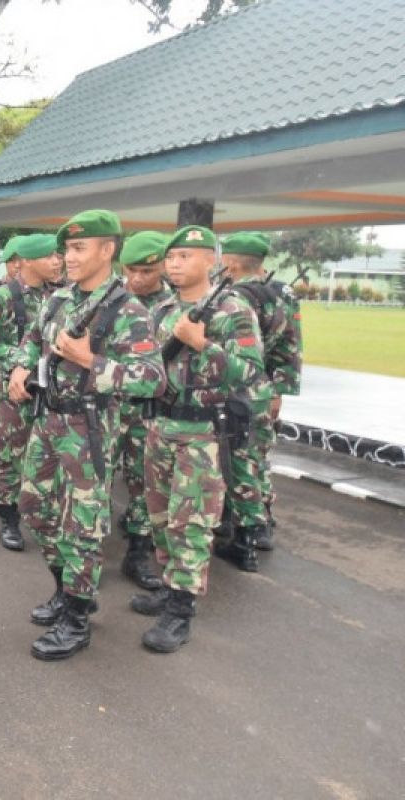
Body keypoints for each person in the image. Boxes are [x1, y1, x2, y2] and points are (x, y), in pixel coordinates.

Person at [8, 209, 165, 661]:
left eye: (78, 248)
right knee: (35, 510)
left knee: (82, 526)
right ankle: (66, 589)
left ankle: (77, 617)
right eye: (67, 249)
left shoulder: (127, 309)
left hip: (89, 427)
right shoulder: (59, 300)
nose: (68, 257)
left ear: (107, 249)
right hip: (49, 421)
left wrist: (90, 361)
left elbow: (152, 379)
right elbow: (34, 341)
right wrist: (21, 365)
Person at [135, 225, 263, 652]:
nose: (174, 264)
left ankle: (181, 610)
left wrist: (202, 343)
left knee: (190, 523)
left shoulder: (232, 309)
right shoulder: (162, 309)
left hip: (203, 434)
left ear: (212, 260)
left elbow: (249, 373)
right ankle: (170, 587)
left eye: (185, 256)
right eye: (171, 258)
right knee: (159, 516)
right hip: (160, 427)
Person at [0, 233, 61, 549]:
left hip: (48, 389)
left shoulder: (58, 298)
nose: (57, 261)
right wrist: (21, 362)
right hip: (8, 386)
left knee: (44, 456)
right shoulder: (2, 296)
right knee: (7, 450)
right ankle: (8, 519)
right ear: (29, 261)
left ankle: (42, 515)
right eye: (50, 256)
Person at [216, 231, 300, 562]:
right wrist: (279, 391)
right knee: (258, 457)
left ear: (232, 262)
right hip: (264, 391)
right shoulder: (281, 293)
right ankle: (261, 526)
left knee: (236, 460)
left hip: (236, 391)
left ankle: (242, 533)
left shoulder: (232, 298)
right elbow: (291, 348)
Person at [115, 231, 173, 590]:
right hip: (107, 406)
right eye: (131, 271)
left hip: (148, 411)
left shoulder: (175, 307)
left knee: (143, 481)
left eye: (146, 271)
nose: (137, 279)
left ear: (162, 268)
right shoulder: (110, 302)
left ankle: (137, 552)